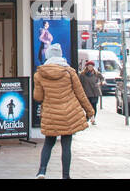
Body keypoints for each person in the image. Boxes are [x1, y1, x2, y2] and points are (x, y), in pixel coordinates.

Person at [33, 44, 93, 179]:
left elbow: (38, 97)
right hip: (68, 114)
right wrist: (89, 111)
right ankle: (66, 176)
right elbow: (80, 93)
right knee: (66, 144)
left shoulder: (40, 74)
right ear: (60, 55)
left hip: (51, 113)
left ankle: (42, 171)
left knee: (49, 142)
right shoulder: (70, 72)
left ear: (47, 56)